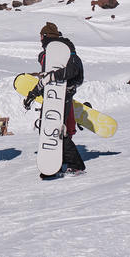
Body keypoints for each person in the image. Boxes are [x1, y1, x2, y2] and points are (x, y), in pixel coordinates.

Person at [23, 22, 86, 175]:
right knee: (47, 130)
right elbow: (45, 80)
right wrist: (32, 94)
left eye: (41, 37)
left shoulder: (66, 50)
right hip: (51, 97)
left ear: (46, 37)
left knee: (55, 130)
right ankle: (55, 162)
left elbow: (73, 70)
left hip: (63, 96)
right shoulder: (47, 55)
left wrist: (53, 76)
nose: (40, 40)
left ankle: (75, 164)